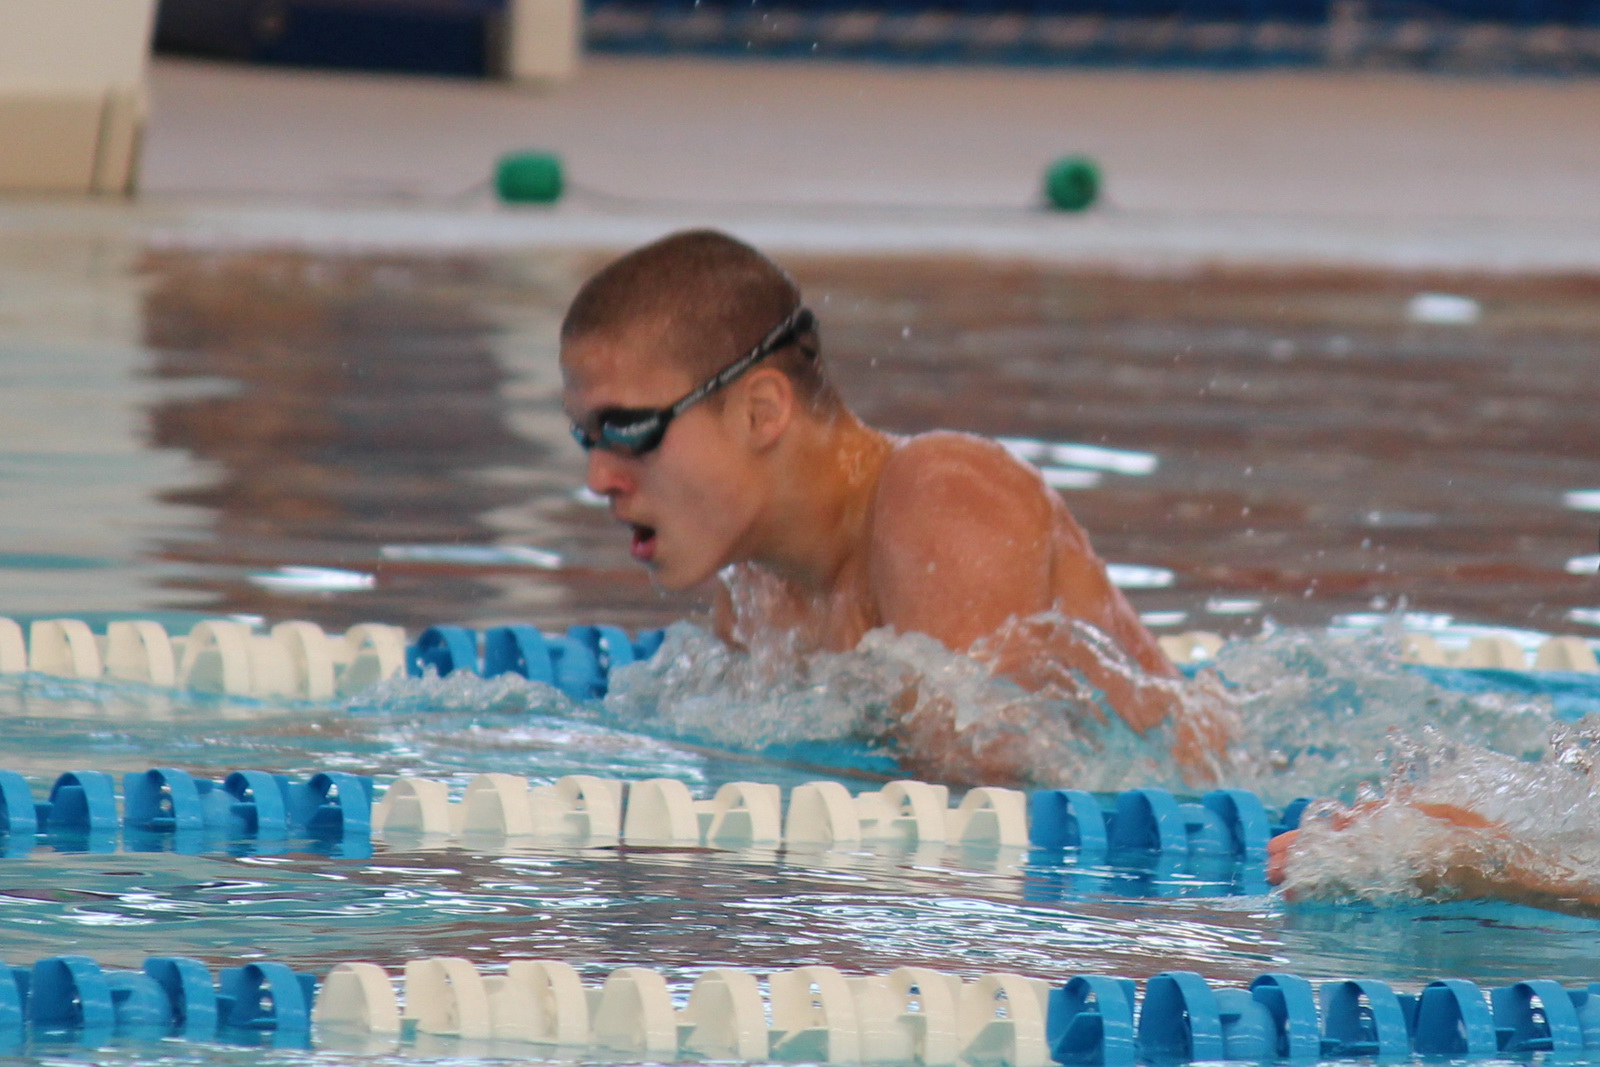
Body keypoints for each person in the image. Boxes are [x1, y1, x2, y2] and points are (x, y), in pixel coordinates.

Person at [559, 229, 1225, 784]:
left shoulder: (943, 498)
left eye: (627, 429)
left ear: (761, 411)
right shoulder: (758, 594)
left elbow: (975, 817)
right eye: (586, 437)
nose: (598, 476)